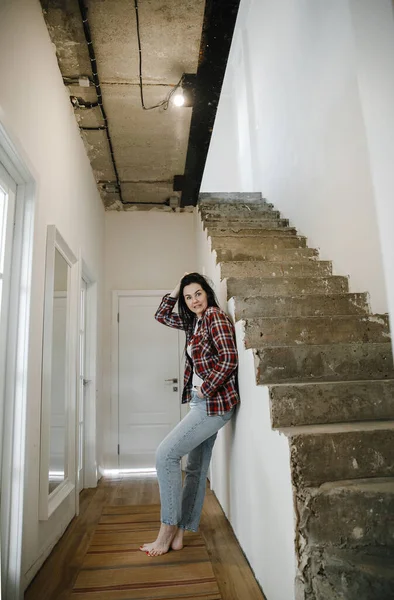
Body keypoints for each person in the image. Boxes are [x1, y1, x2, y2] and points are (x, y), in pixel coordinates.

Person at [139, 272, 239, 556]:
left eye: (198, 293)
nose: (194, 300)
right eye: (188, 297)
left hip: (213, 405)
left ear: (207, 292)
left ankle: (167, 528)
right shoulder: (194, 321)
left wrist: (206, 389)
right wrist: (178, 286)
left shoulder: (215, 317)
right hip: (203, 403)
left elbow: (229, 357)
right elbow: (161, 314)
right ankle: (181, 531)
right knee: (194, 469)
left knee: (166, 454)